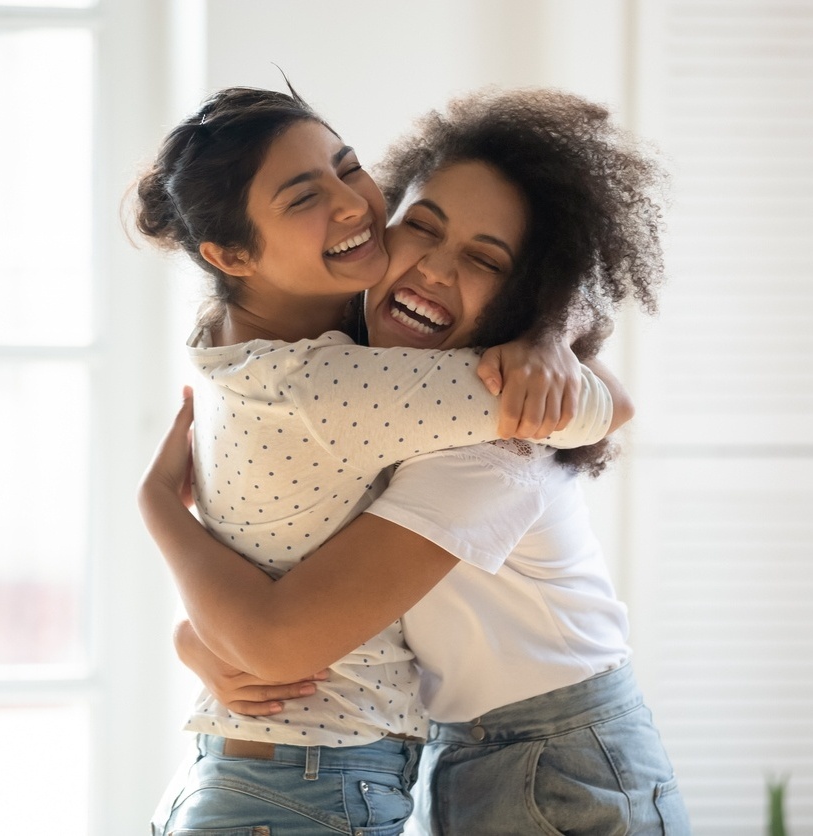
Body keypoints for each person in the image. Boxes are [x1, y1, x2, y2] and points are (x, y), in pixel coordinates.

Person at [141, 88, 689, 833]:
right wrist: (192, 640)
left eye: (484, 261)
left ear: (526, 293)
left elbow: (280, 637)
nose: (432, 269)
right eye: (420, 227)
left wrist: (547, 338)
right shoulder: (352, 372)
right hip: (449, 745)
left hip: (555, 760)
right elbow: (274, 552)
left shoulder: (492, 440)